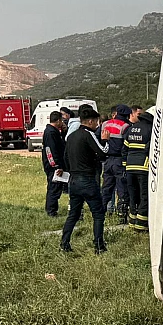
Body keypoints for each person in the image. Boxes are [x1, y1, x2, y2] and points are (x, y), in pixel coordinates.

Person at [60, 104, 108, 254]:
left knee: (73, 214)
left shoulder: (71, 136)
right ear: (91, 121)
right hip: (87, 179)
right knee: (98, 213)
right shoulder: (89, 134)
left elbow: (65, 158)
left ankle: (64, 243)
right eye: (97, 122)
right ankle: (99, 245)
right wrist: (105, 140)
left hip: (73, 180)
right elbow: (102, 153)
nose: (97, 125)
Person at [122, 105, 154, 232]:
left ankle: (132, 222)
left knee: (133, 196)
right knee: (144, 196)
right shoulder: (150, 129)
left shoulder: (131, 129)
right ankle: (141, 226)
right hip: (143, 167)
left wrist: (125, 166)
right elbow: (150, 149)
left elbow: (124, 149)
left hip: (130, 167)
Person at [100, 105, 131, 222]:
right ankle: (122, 216)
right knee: (122, 189)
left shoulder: (105, 124)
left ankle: (101, 212)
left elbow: (100, 139)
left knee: (106, 188)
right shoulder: (125, 126)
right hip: (119, 161)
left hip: (107, 160)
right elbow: (127, 144)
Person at [41, 111, 69, 216]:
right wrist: (56, 166)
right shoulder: (50, 133)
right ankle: (51, 211)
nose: (62, 122)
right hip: (53, 166)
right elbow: (50, 151)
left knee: (57, 187)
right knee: (54, 187)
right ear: (57, 121)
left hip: (56, 164)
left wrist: (63, 132)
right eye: (61, 120)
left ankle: (52, 209)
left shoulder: (55, 132)